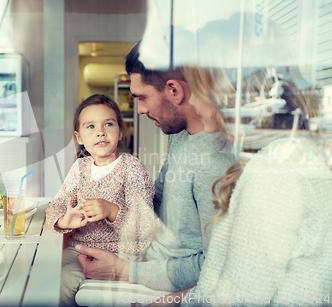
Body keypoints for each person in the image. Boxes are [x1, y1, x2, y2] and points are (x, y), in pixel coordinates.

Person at [141, 65, 332, 306]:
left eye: (198, 91)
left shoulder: (273, 174)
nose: (194, 102)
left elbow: (239, 298)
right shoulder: (281, 157)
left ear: (226, 97)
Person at [75, 44, 236, 293]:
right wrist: (108, 207)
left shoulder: (214, 163)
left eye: (142, 97)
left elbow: (218, 268)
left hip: (155, 278)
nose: (139, 109)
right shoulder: (182, 136)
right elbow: (154, 204)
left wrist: (120, 271)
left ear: (173, 90)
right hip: (139, 252)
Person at [45, 94, 156, 306]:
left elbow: (145, 225)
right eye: (90, 127)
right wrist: (63, 221)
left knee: (62, 283)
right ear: (79, 137)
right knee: (43, 271)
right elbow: (55, 206)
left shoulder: (131, 168)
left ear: (121, 131)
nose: (100, 132)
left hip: (121, 253)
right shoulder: (79, 168)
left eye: (108, 124)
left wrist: (112, 211)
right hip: (80, 248)